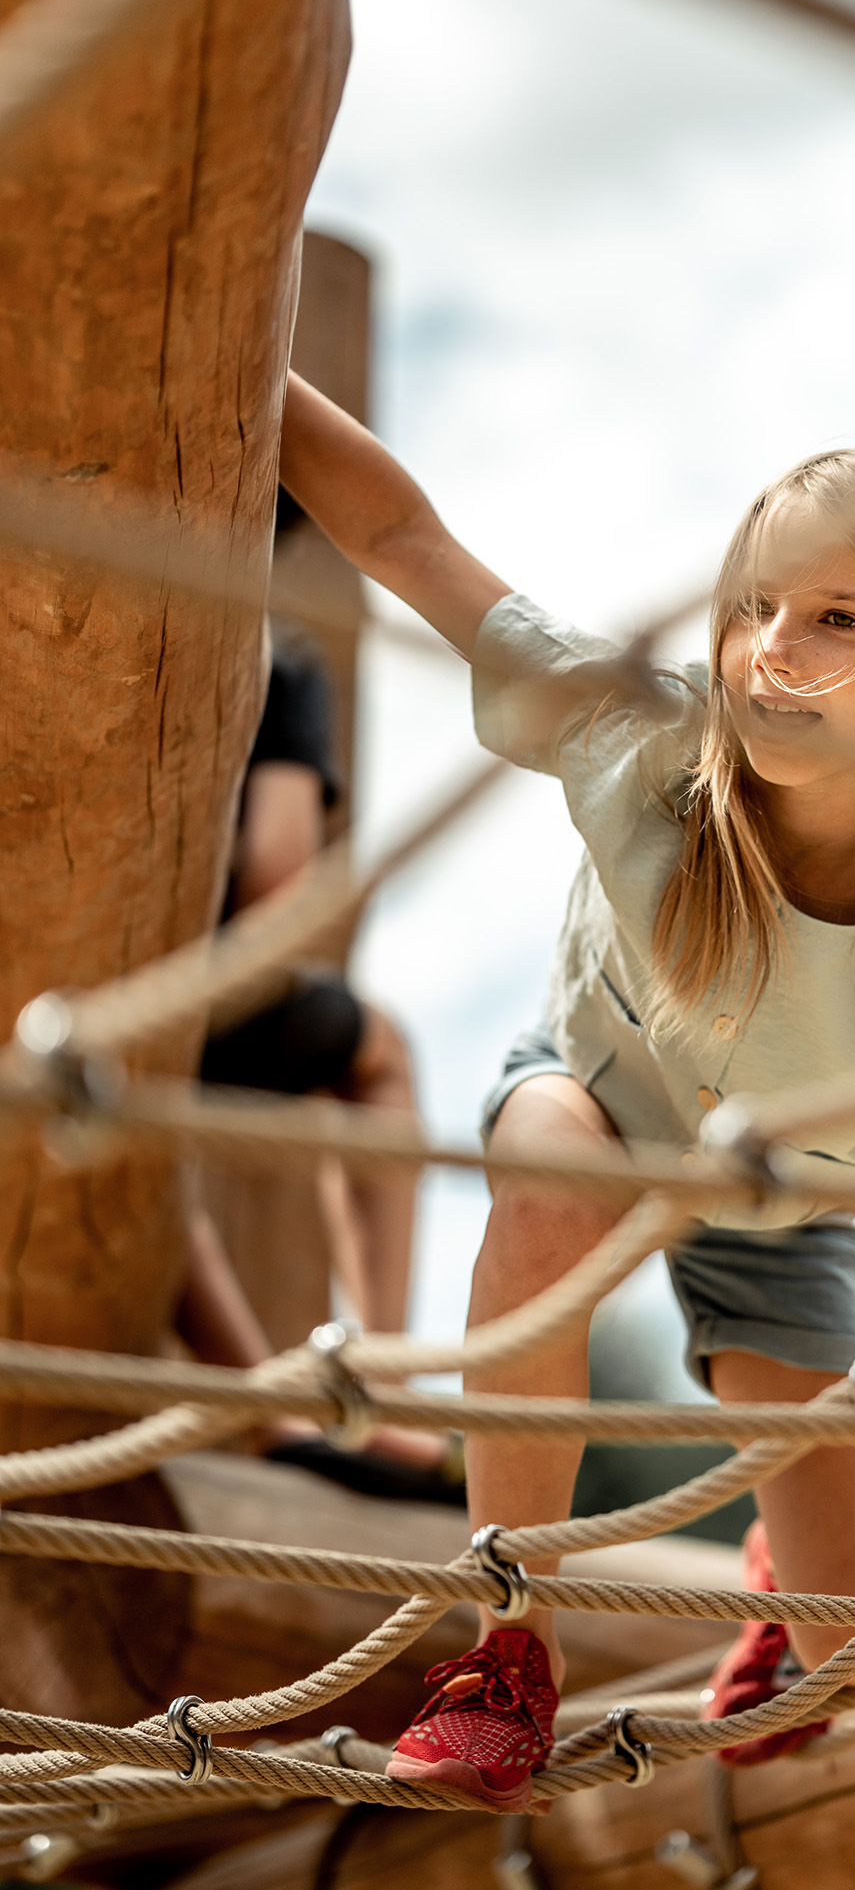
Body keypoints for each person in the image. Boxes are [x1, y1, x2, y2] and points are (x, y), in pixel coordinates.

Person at [278, 373, 855, 1812]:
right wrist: (257, 383)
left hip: (784, 1212)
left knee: (854, 1664)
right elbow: (409, 539)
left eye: (837, 620)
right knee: (546, 1171)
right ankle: (501, 1650)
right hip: (591, 1109)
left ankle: (791, 1596)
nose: (770, 652)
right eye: (754, 607)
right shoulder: (645, 747)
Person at [180, 598, 460, 1499]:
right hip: (182, 977)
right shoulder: (268, 658)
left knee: (125, 1130)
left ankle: (272, 1409)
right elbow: (277, 867)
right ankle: (367, 1385)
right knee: (377, 1056)